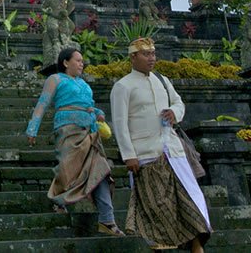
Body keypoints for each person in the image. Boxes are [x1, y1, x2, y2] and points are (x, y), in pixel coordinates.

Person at [110, 37, 210, 252]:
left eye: (153, 54)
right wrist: (129, 155)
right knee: (157, 206)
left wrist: (175, 113)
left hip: (174, 152)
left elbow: (178, 102)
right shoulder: (123, 86)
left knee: (190, 200)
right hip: (145, 154)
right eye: (146, 54)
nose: (152, 58)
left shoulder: (162, 80)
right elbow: (119, 124)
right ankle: (162, 247)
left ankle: (197, 247)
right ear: (133, 57)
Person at [25, 48, 123, 236]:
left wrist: (97, 113)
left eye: (82, 61)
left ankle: (107, 219)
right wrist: (33, 127)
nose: (81, 64)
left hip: (90, 132)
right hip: (68, 130)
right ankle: (59, 201)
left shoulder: (84, 84)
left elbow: (89, 106)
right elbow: (43, 103)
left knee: (101, 170)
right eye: (78, 60)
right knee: (68, 169)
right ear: (65, 62)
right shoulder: (55, 79)